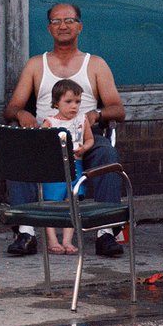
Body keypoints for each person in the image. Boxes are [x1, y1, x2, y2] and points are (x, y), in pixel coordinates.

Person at [2, 2, 127, 257]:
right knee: (17, 154)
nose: (63, 26)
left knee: (107, 156)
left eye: (69, 20)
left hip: (85, 138)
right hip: (45, 138)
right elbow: (12, 107)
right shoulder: (37, 64)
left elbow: (118, 109)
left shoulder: (95, 64)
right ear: (49, 29)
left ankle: (105, 233)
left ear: (79, 26)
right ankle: (25, 232)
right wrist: (22, 112)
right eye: (56, 21)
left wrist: (96, 114)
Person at [39, 78, 94, 256]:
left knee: (71, 201)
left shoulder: (82, 120)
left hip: (75, 165)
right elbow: (40, 144)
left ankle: (67, 239)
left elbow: (89, 139)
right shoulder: (50, 123)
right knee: (50, 203)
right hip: (54, 168)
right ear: (56, 103)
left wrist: (84, 147)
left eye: (77, 102)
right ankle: (53, 239)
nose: (74, 106)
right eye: (68, 101)